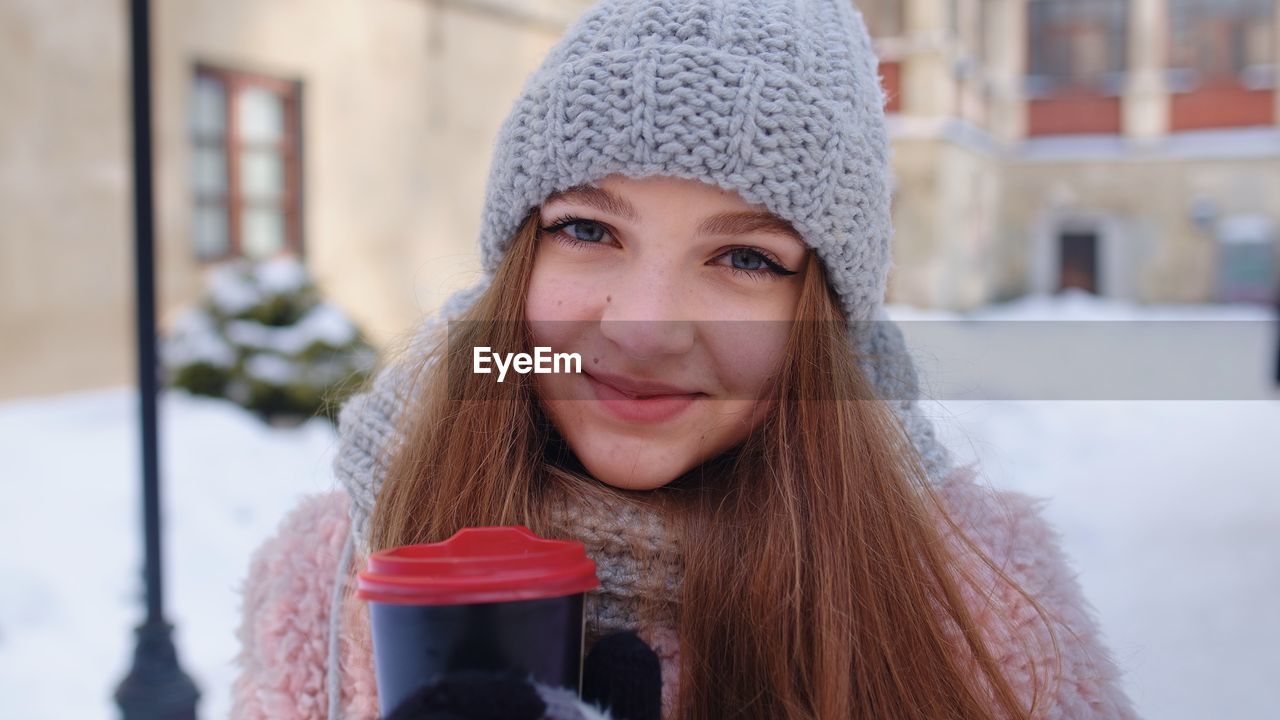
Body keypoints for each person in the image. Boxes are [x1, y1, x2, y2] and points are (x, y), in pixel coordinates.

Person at [230, 1, 1140, 719]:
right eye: (588, 230)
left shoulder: (978, 594)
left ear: (819, 321)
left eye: (746, 259)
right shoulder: (337, 565)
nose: (645, 326)